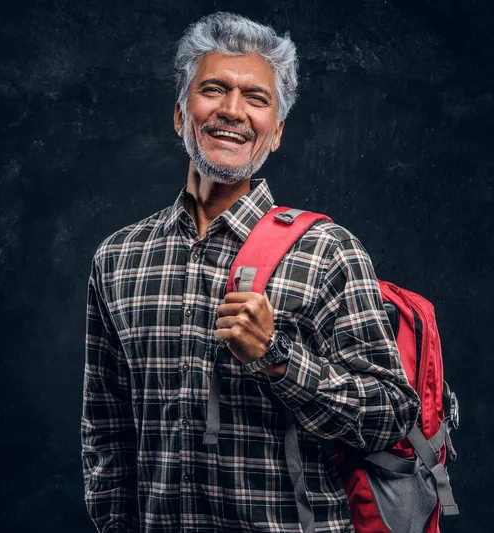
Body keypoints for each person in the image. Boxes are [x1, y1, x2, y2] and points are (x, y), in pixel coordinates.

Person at [82, 11, 420, 533]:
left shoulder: (327, 252)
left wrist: (277, 359)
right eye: (213, 89)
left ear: (277, 131)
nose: (232, 111)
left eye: (257, 98)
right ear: (180, 114)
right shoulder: (119, 257)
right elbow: (106, 433)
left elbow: (392, 415)